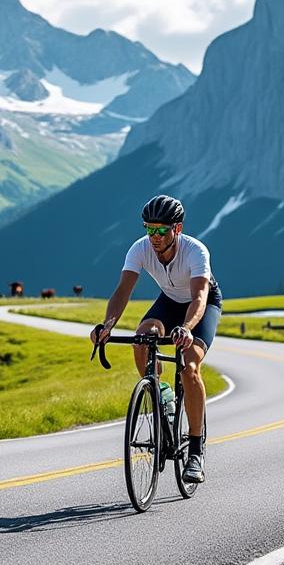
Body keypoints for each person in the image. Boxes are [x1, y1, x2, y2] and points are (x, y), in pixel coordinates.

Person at [91, 194, 222, 483]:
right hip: (169, 301)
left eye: (162, 230)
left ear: (177, 229)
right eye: (149, 229)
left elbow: (200, 297)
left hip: (202, 305)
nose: (155, 237)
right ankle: (161, 392)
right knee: (142, 338)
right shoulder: (140, 249)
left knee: (189, 367)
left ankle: (196, 451)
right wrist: (107, 325)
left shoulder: (195, 251)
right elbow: (122, 291)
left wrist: (187, 328)